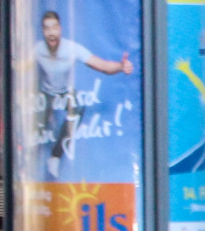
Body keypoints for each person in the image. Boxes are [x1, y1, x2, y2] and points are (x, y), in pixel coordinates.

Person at [31, 10, 131, 166]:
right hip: (45, 94)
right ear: (43, 32)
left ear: (60, 29)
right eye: (47, 28)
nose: (51, 32)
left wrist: (120, 66)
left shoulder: (72, 48)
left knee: (77, 107)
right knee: (36, 131)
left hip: (64, 93)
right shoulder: (37, 49)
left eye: (55, 27)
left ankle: (55, 157)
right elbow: (19, 66)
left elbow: (103, 66)